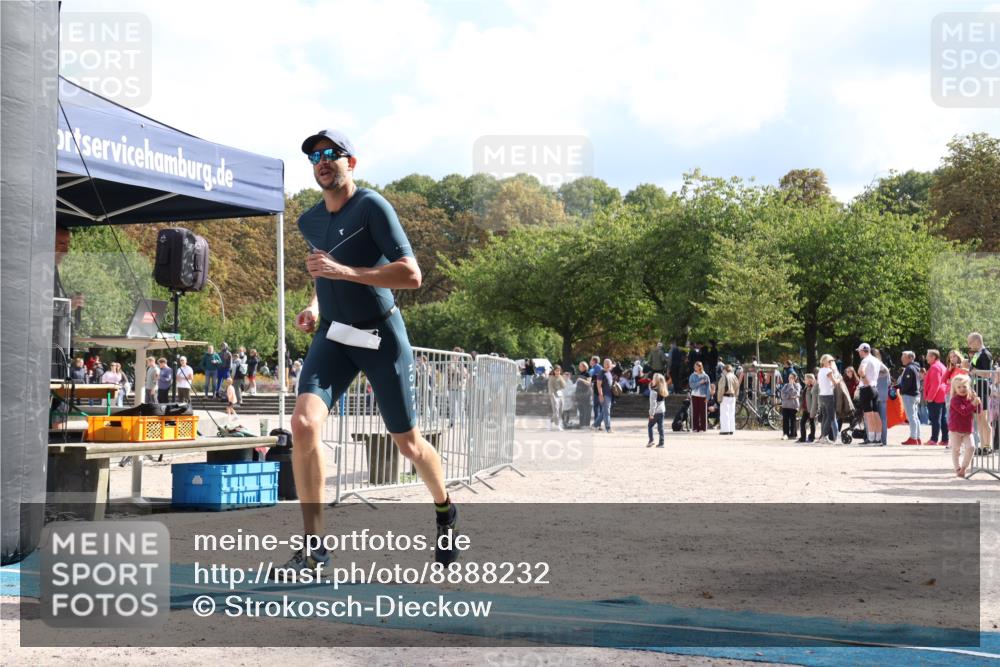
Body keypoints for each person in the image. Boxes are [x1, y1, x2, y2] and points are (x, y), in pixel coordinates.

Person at [279, 127, 457, 578]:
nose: (322, 161)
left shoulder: (373, 206)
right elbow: (324, 274)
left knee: (409, 446)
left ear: (350, 163)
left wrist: (347, 272)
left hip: (381, 336)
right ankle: (315, 549)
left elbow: (411, 275)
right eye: (315, 156)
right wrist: (314, 305)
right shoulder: (309, 221)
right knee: (302, 425)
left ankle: (445, 510)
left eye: (332, 153)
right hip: (334, 338)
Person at [948, 375, 980, 477]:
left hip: (967, 430)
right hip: (955, 429)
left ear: (969, 387)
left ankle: (964, 468)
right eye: (959, 387)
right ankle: (957, 468)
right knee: (956, 449)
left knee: (971, 447)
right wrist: (973, 404)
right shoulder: (954, 400)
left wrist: (977, 401)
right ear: (955, 389)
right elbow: (964, 411)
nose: (962, 389)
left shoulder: (970, 398)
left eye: (964, 386)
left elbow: (978, 411)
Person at [967, 332, 993, 451]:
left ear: (977, 341)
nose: (969, 345)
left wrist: (974, 371)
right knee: (979, 420)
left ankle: (987, 446)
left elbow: (987, 374)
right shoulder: (978, 354)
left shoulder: (985, 354)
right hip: (976, 388)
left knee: (984, 419)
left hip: (982, 388)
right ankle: (983, 445)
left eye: (970, 342)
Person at [856, 343, 883, 445]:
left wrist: (865, 380)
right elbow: (884, 371)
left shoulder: (865, 360)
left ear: (863, 350)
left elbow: (861, 371)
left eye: (859, 351)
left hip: (867, 388)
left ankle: (871, 439)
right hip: (875, 388)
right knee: (876, 414)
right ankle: (878, 439)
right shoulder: (876, 360)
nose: (859, 353)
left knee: (869, 415)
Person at [924, 349, 949, 447]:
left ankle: (934, 439)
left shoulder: (935, 367)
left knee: (935, 418)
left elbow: (935, 384)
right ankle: (945, 439)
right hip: (942, 395)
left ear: (933, 357)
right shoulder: (941, 365)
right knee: (942, 418)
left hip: (936, 396)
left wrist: (930, 397)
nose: (926, 358)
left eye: (928, 356)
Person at [897, 351, 922, 445]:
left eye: (904, 357)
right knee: (915, 417)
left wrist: (901, 388)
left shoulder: (909, 368)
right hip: (915, 395)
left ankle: (913, 438)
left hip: (909, 395)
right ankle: (917, 437)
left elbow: (907, 384)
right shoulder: (915, 367)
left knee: (911, 417)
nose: (902, 359)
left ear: (910, 358)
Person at [817, 354, 842, 444]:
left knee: (825, 416)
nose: (832, 363)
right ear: (825, 362)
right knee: (831, 417)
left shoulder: (820, 371)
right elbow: (835, 382)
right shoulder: (828, 370)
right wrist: (839, 378)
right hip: (828, 395)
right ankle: (824, 436)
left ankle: (823, 437)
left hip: (822, 395)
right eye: (830, 361)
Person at [872, 349, 891, 446]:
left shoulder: (874, 365)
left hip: (874, 393)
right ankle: (883, 440)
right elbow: (889, 382)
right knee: (883, 418)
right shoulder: (884, 366)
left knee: (874, 417)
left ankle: (876, 439)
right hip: (883, 394)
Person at [688, 361, 711, 433]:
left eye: (696, 366)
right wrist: (700, 383)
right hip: (694, 395)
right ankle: (695, 427)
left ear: (700, 367)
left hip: (703, 396)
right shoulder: (692, 375)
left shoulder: (705, 376)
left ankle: (703, 428)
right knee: (695, 412)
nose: (695, 367)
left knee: (703, 412)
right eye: (694, 366)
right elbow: (692, 386)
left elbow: (708, 387)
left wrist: (707, 397)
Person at [716, 364, 739, 435]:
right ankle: (732, 429)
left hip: (725, 396)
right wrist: (736, 396)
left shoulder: (724, 377)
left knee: (724, 413)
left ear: (725, 370)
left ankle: (725, 430)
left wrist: (719, 398)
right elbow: (737, 387)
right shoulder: (734, 376)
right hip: (733, 396)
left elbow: (721, 389)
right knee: (731, 413)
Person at [647, 373, 669, 447]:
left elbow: (653, 404)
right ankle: (661, 443)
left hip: (655, 411)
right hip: (662, 411)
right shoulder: (663, 390)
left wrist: (651, 414)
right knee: (661, 427)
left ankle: (651, 440)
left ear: (655, 381)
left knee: (650, 426)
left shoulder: (654, 392)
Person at [595, 358, 614, 433]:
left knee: (604, 411)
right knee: (607, 412)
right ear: (604, 364)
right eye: (607, 364)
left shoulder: (609, 372)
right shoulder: (601, 373)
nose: (608, 365)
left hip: (610, 395)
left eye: (609, 364)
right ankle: (608, 428)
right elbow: (598, 385)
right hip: (604, 395)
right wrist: (601, 395)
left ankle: (595, 425)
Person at [780, 373, 801, 440]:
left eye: (791, 378)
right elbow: (782, 395)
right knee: (785, 420)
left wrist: (791, 386)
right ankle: (785, 434)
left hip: (793, 406)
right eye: (789, 377)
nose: (790, 379)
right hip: (785, 405)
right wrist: (789, 396)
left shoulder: (797, 385)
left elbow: (796, 394)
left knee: (793, 420)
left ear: (795, 378)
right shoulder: (785, 385)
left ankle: (793, 434)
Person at [798, 373, 817, 443]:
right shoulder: (806, 387)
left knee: (812, 423)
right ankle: (803, 437)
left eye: (805, 379)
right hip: (806, 409)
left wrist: (814, 410)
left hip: (811, 409)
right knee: (802, 422)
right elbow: (803, 398)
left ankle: (812, 437)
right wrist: (801, 407)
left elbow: (815, 400)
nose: (804, 380)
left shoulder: (814, 387)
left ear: (810, 380)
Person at [547, 364, 566, 431]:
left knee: (561, 410)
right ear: (554, 371)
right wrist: (553, 397)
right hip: (554, 395)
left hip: (560, 394)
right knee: (556, 410)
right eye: (556, 371)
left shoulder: (560, 377)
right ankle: (558, 425)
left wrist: (562, 379)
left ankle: (550, 421)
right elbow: (550, 388)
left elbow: (564, 386)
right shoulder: (551, 378)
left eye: (559, 371)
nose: (558, 372)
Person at [574, 362, 592, 429]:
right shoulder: (579, 374)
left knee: (586, 410)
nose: (579, 367)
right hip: (579, 394)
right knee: (581, 410)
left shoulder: (588, 373)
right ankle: (581, 424)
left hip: (586, 394)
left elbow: (589, 383)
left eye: (580, 366)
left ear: (584, 367)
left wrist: (581, 379)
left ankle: (586, 424)